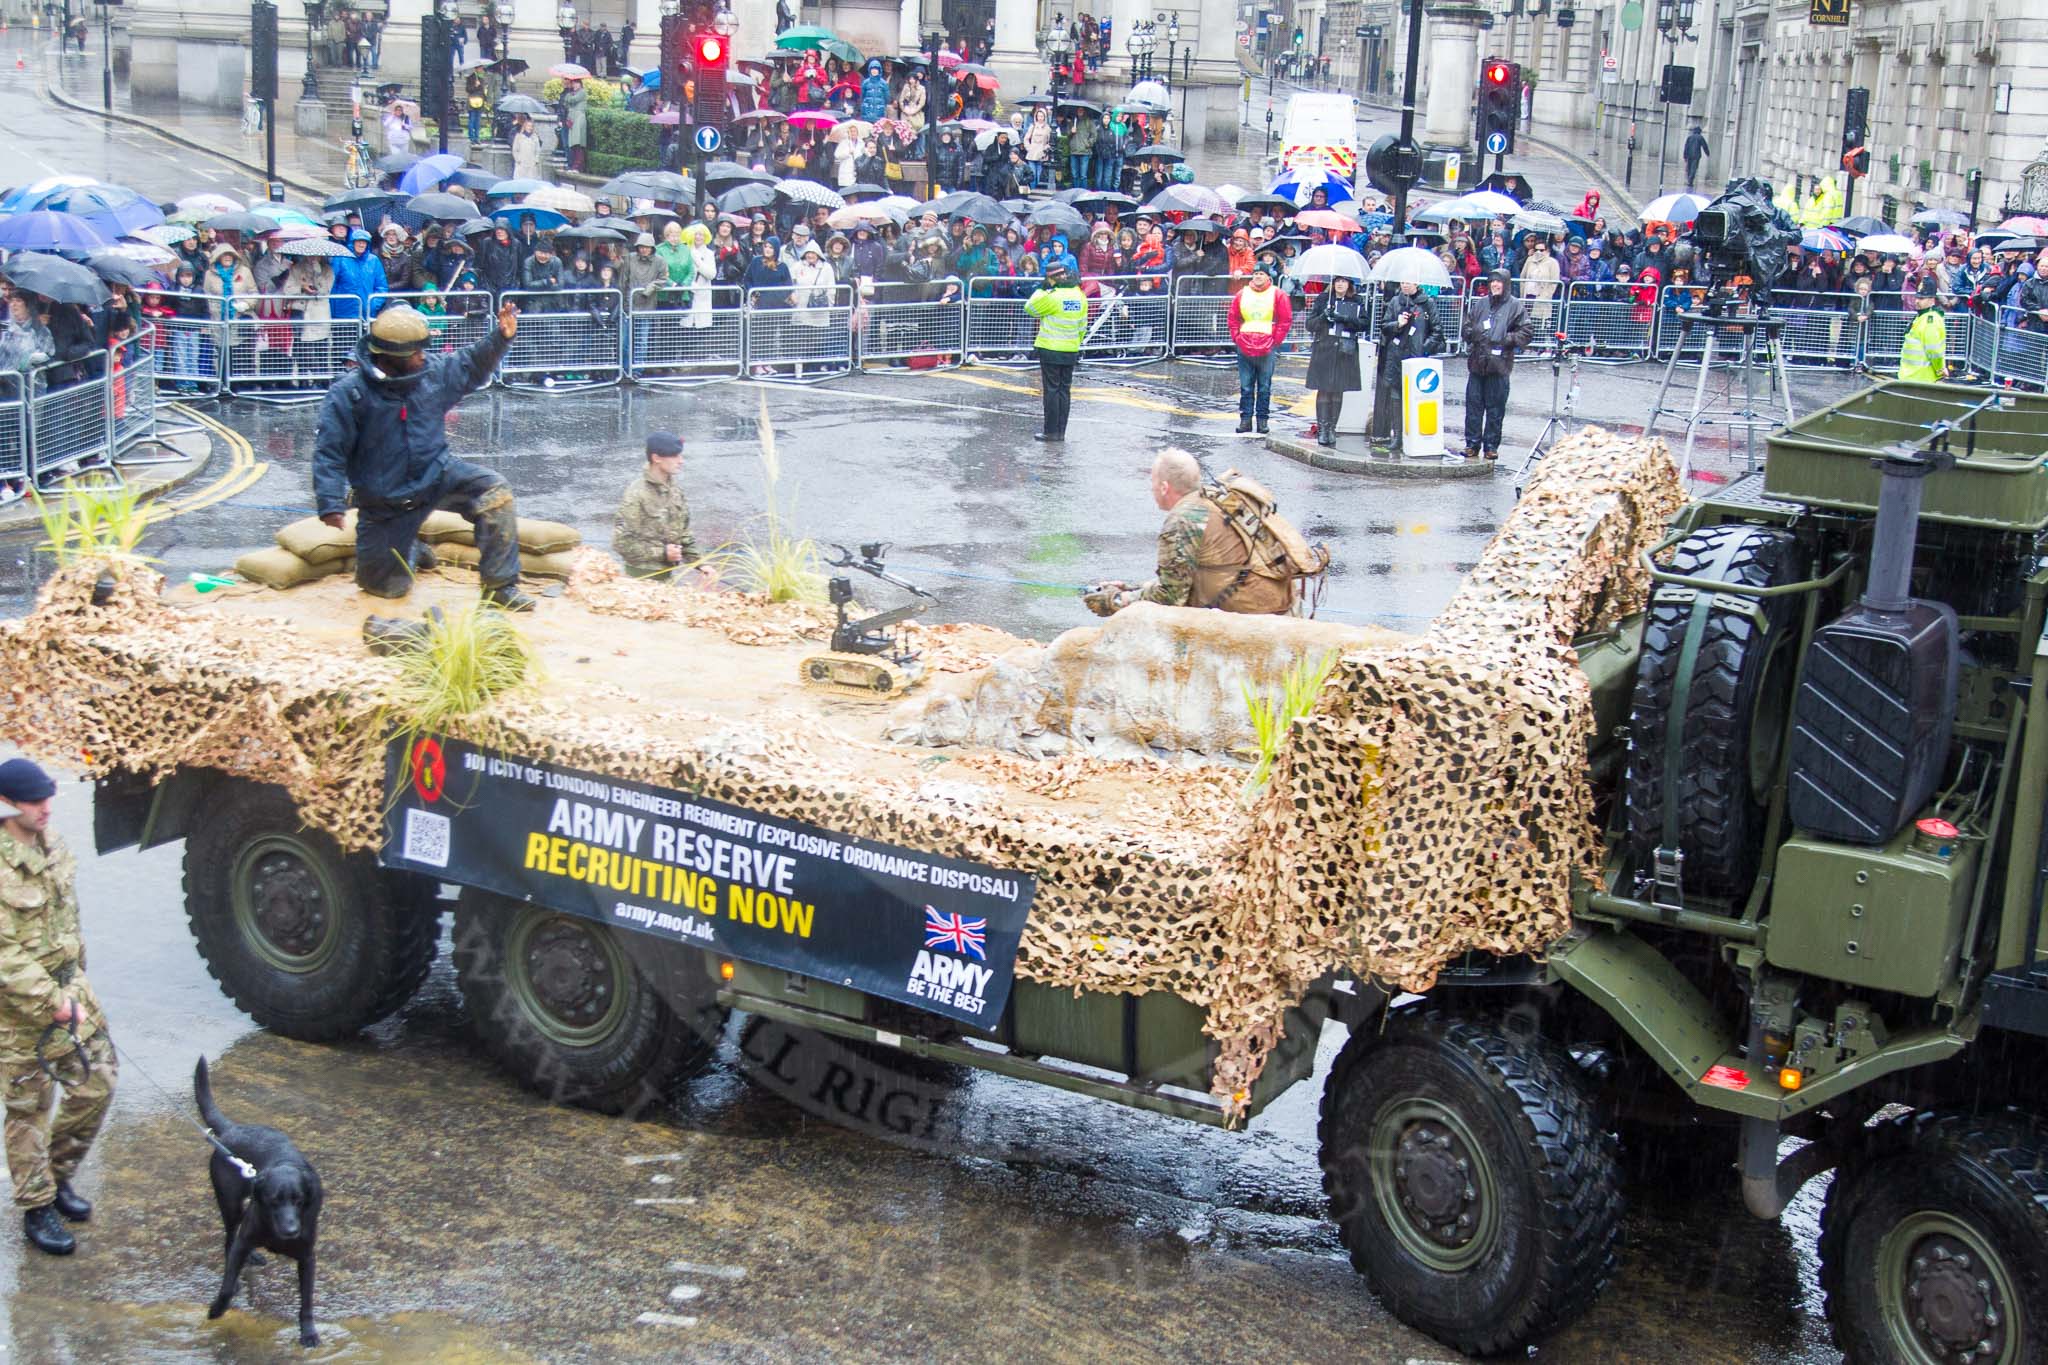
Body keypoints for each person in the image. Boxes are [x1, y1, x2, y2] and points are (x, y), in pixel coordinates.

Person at [312, 301, 535, 611]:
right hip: (386, 503)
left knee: (494, 491)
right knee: (385, 591)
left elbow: (469, 362)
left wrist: (500, 337)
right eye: (415, 353)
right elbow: (329, 452)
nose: (422, 356)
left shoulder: (431, 373)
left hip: (437, 474)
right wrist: (330, 502)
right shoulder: (349, 394)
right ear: (392, 358)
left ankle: (500, 587)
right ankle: (411, 550)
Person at [0, 757, 117, 1258]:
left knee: (99, 1083)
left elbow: (67, 920)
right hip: (20, 1016)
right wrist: (52, 1003)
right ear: (7, 805)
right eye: (34, 801)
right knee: (28, 1112)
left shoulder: (52, 845)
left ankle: (58, 1176)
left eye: (48, 798)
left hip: (72, 995)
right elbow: (5, 954)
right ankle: (37, 1207)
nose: (46, 808)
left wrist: (78, 987)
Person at [1089, 449, 1290, 616]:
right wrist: (1131, 589)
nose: (1151, 489)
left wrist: (1116, 600)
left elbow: (1170, 596)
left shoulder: (1183, 520)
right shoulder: (1213, 501)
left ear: (1164, 487)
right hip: (1275, 603)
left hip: (1247, 619)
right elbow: (1184, 578)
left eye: (1152, 483)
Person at [612, 430, 717, 584]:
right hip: (639, 581)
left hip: (667, 579)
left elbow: (683, 535)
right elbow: (621, 543)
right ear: (656, 458)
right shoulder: (636, 494)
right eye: (675, 456)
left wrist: (701, 564)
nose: (681, 461)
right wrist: (662, 553)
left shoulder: (674, 491)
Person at [1459, 268, 1531, 461]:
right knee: (1473, 406)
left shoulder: (1515, 306)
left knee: (1495, 408)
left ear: (1506, 284)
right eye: (1492, 282)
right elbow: (1466, 326)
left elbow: (1526, 332)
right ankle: (1471, 443)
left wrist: (1506, 339)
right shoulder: (1480, 304)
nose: (1495, 285)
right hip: (1477, 363)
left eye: (1498, 282)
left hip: (1499, 366)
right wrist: (1473, 333)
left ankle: (1491, 445)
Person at [1367, 279, 1444, 451]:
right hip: (1396, 356)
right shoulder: (1395, 302)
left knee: (1417, 399)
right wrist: (1398, 324)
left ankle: (1415, 436)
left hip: (1417, 359)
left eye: (1409, 282)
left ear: (1417, 283)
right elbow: (1385, 326)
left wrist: (1424, 349)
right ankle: (1398, 435)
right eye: (1402, 282)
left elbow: (1437, 330)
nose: (1405, 285)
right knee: (1396, 397)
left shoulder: (1428, 303)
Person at [1305, 274, 1371, 448]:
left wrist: (1345, 318)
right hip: (1324, 349)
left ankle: (1332, 428)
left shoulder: (1356, 300)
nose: (1340, 284)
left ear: (1349, 284)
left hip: (1345, 351)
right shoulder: (1323, 299)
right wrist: (1322, 318)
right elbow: (1309, 324)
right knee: (1324, 389)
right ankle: (1323, 428)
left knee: (1338, 391)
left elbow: (1365, 323)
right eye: (1337, 281)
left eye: (1344, 281)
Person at [1227, 262, 1293, 435]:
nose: (1257, 277)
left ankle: (1262, 420)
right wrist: (1237, 337)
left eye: (1261, 274)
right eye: (1255, 274)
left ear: (1268, 277)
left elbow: (1285, 320)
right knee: (1246, 386)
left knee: (1264, 386)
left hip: (1266, 346)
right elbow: (1232, 317)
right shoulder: (1242, 294)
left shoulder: (1278, 294)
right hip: (1245, 345)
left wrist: (1275, 341)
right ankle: (1245, 420)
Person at [1024, 261, 1086, 442]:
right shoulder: (1079, 295)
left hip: (1050, 348)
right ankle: (1061, 431)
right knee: (1064, 391)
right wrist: (1075, 343)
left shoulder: (1052, 296)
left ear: (1051, 279)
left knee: (1051, 390)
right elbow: (1082, 325)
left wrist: (1042, 289)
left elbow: (1030, 308)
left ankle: (1050, 431)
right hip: (1071, 348)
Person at [1897, 283, 1947, 383]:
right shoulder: (1921, 316)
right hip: (1911, 375)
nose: (1917, 301)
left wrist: (1940, 370)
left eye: (1921, 299)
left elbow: (1933, 350)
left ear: (1932, 300)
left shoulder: (1931, 320)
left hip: (1921, 377)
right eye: (1917, 298)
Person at [561, 77, 589, 173]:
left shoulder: (582, 92)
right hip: (572, 119)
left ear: (580, 84)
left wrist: (568, 96)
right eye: (573, 83)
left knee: (578, 143)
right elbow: (566, 103)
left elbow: (573, 100)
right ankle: (574, 165)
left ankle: (578, 166)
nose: (574, 85)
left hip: (579, 118)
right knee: (572, 143)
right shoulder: (572, 93)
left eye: (576, 83)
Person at [511, 114, 543, 181]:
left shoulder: (535, 137)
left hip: (532, 164)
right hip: (521, 163)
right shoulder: (519, 136)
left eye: (531, 126)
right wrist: (518, 159)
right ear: (525, 126)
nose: (530, 128)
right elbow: (515, 150)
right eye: (528, 126)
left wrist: (536, 160)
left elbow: (538, 150)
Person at [1682, 125, 1710, 191]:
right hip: (1696, 155)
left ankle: (1689, 179)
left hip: (1689, 155)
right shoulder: (1700, 137)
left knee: (1689, 167)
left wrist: (1685, 156)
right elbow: (1704, 146)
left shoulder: (1689, 137)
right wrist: (1707, 153)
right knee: (1693, 168)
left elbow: (1686, 147)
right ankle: (1690, 180)